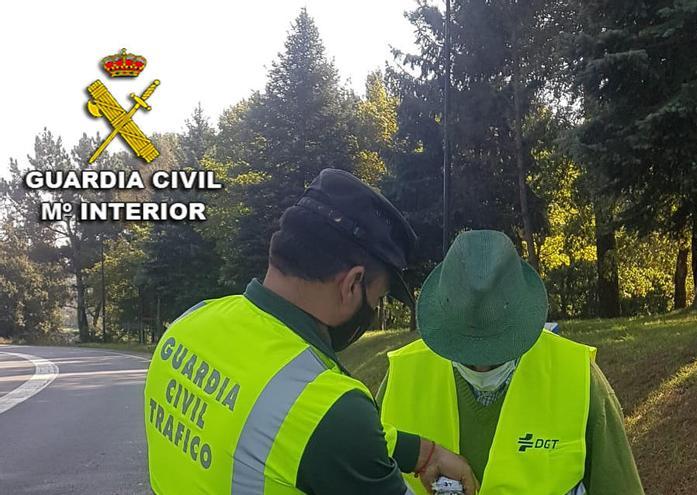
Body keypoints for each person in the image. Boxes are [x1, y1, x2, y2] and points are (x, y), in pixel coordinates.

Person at [144, 169, 477, 494]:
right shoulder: (329, 406)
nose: (373, 312)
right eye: (376, 299)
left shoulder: (190, 323)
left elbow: (286, 431)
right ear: (352, 284)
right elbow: (326, 429)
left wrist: (422, 452)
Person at [378, 230, 644, 495]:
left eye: (495, 352)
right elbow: (354, 461)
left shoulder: (578, 378)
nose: (481, 367)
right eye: (467, 352)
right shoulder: (402, 376)